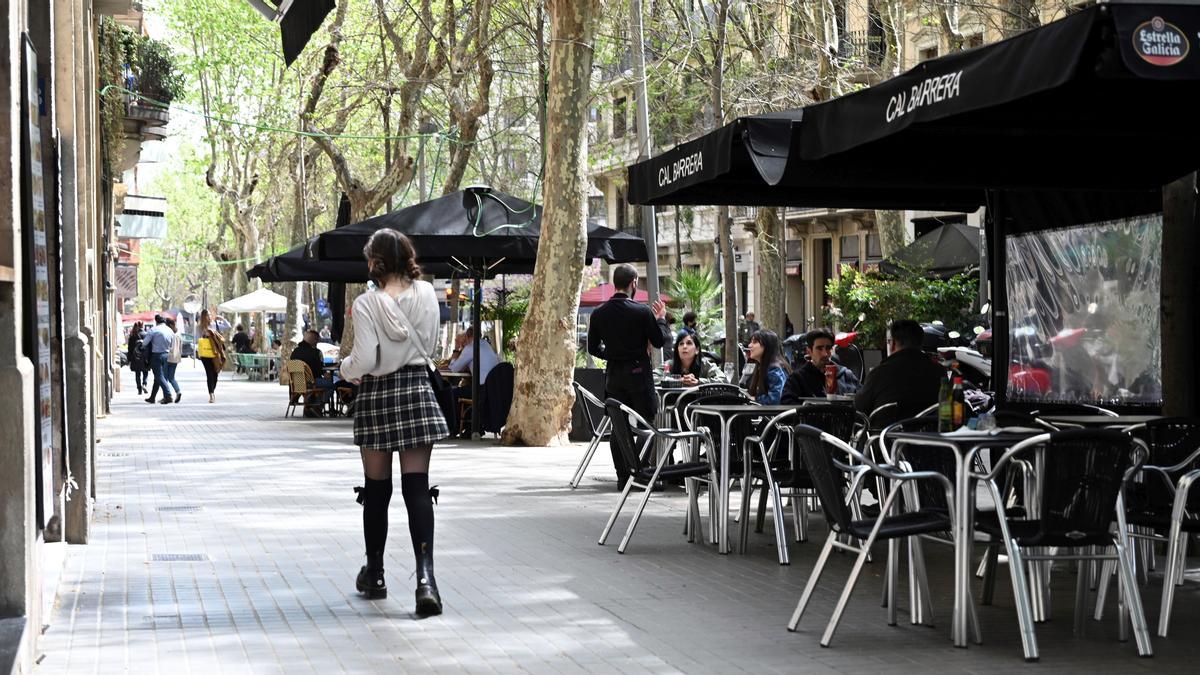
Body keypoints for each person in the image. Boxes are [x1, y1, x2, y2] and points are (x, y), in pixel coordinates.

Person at [340, 228, 448, 616]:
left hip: (378, 395)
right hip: (417, 389)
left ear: (376, 261)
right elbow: (432, 345)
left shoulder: (367, 302)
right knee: (417, 489)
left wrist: (345, 367)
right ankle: (426, 581)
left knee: (376, 490)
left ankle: (376, 573)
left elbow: (365, 359)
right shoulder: (428, 294)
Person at [587, 263, 670, 489]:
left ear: (616, 283)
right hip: (639, 374)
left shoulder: (599, 313)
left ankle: (623, 477)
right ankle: (639, 472)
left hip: (614, 374)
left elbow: (592, 348)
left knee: (618, 427)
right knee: (647, 424)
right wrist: (661, 318)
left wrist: (613, 354)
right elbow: (659, 340)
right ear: (634, 282)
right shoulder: (642, 312)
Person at [854, 319, 946, 426]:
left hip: (886, 440)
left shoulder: (879, 373)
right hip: (932, 439)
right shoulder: (939, 372)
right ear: (921, 345)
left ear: (893, 344)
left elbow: (859, 408)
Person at [781, 329, 862, 402]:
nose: (825, 354)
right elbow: (787, 406)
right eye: (819, 348)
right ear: (809, 351)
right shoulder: (797, 380)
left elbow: (863, 401)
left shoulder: (846, 376)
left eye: (828, 348)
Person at [746, 330, 789, 404]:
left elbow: (775, 400)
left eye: (755, 342)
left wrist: (755, 399)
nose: (749, 345)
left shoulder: (774, 369)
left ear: (767, 346)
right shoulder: (761, 366)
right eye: (750, 342)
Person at [142, 315, 175, 405]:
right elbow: (173, 343)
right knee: (158, 377)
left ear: (156, 321)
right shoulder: (170, 330)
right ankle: (152, 397)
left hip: (157, 355)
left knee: (159, 376)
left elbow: (145, 343)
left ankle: (168, 395)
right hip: (168, 355)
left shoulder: (153, 330)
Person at [197, 325, 227, 404]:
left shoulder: (215, 324)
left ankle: (212, 391)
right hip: (205, 356)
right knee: (209, 374)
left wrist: (212, 334)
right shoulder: (200, 325)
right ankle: (211, 394)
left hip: (215, 355)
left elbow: (221, 342)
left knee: (215, 374)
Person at [127, 321, 150, 394]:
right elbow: (149, 347)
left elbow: (129, 349)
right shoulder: (146, 335)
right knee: (145, 372)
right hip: (144, 357)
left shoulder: (133, 335)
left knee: (137, 374)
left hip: (135, 358)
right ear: (142, 325)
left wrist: (129, 359)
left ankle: (139, 389)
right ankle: (144, 383)